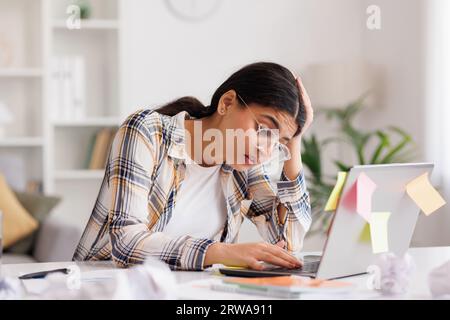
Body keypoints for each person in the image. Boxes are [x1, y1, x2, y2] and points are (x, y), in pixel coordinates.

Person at [73, 62, 314, 271]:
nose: (266, 150)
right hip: (108, 287)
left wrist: (294, 139)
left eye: (278, 142)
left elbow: (287, 243)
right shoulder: (147, 132)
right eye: (262, 130)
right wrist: (222, 253)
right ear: (227, 103)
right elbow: (126, 242)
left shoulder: (243, 166)